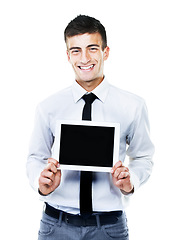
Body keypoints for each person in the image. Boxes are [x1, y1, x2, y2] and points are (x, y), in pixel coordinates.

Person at [27, 15, 154, 240]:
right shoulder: (48, 107)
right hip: (56, 225)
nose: (84, 58)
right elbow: (36, 157)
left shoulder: (132, 106)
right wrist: (42, 181)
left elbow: (143, 156)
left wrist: (130, 180)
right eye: (76, 50)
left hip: (108, 227)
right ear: (68, 56)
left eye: (92, 48)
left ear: (105, 52)